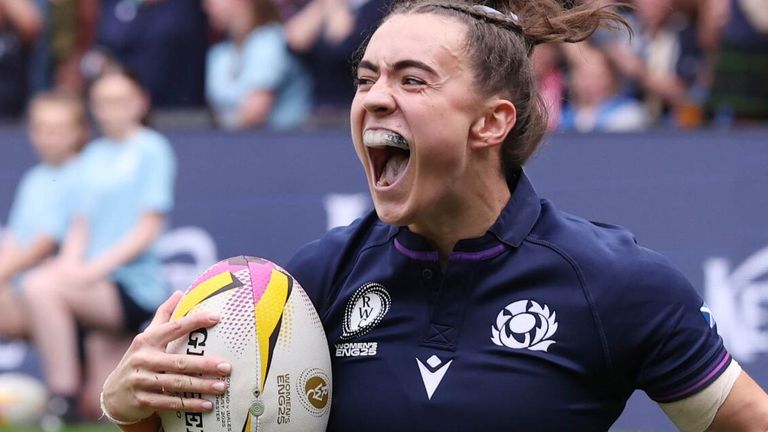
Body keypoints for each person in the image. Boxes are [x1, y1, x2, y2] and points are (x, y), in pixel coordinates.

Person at [101, 1, 768, 431]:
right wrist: (129, 412)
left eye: (411, 80)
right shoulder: (311, 284)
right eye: (366, 80)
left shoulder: (616, 283)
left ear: (492, 121)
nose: (374, 100)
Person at [22, 69, 176, 424]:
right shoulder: (93, 154)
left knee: (39, 286)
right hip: (94, 288)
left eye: (120, 100)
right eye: (104, 102)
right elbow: (80, 225)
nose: (111, 110)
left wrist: (91, 269)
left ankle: (62, 397)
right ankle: (77, 395)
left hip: (133, 287)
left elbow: (147, 229)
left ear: (140, 102)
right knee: (104, 408)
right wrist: (71, 265)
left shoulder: (152, 148)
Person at [0, 90, 88, 339]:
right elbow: (13, 241)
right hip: (23, 290)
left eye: (58, 129)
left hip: (62, 289)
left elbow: (46, 242)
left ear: (79, 131)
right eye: (41, 128)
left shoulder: (85, 173)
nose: (49, 137)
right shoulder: (33, 178)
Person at [204, 0, 312, 130]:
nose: (207, 5)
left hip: (286, 144)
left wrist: (220, 130)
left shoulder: (270, 40)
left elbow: (255, 111)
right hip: (238, 145)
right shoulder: (220, 54)